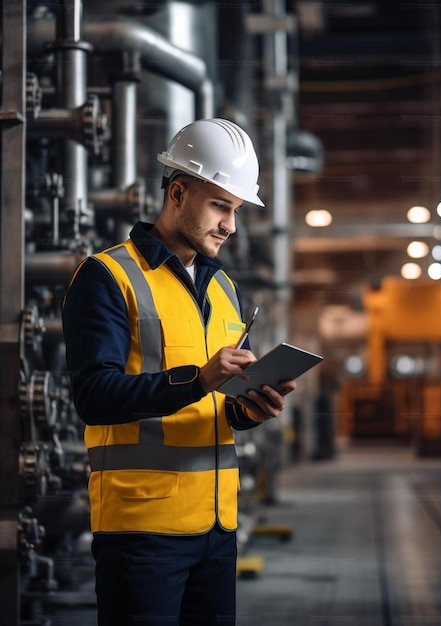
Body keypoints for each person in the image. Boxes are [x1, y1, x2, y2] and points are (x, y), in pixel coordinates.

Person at [62, 118, 297, 626]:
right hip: (142, 532)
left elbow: (219, 407)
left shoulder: (224, 290)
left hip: (216, 529)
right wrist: (199, 380)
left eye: (234, 210)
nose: (230, 225)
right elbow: (94, 395)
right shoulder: (107, 276)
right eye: (220, 205)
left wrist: (251, 408)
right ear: (177, 193)